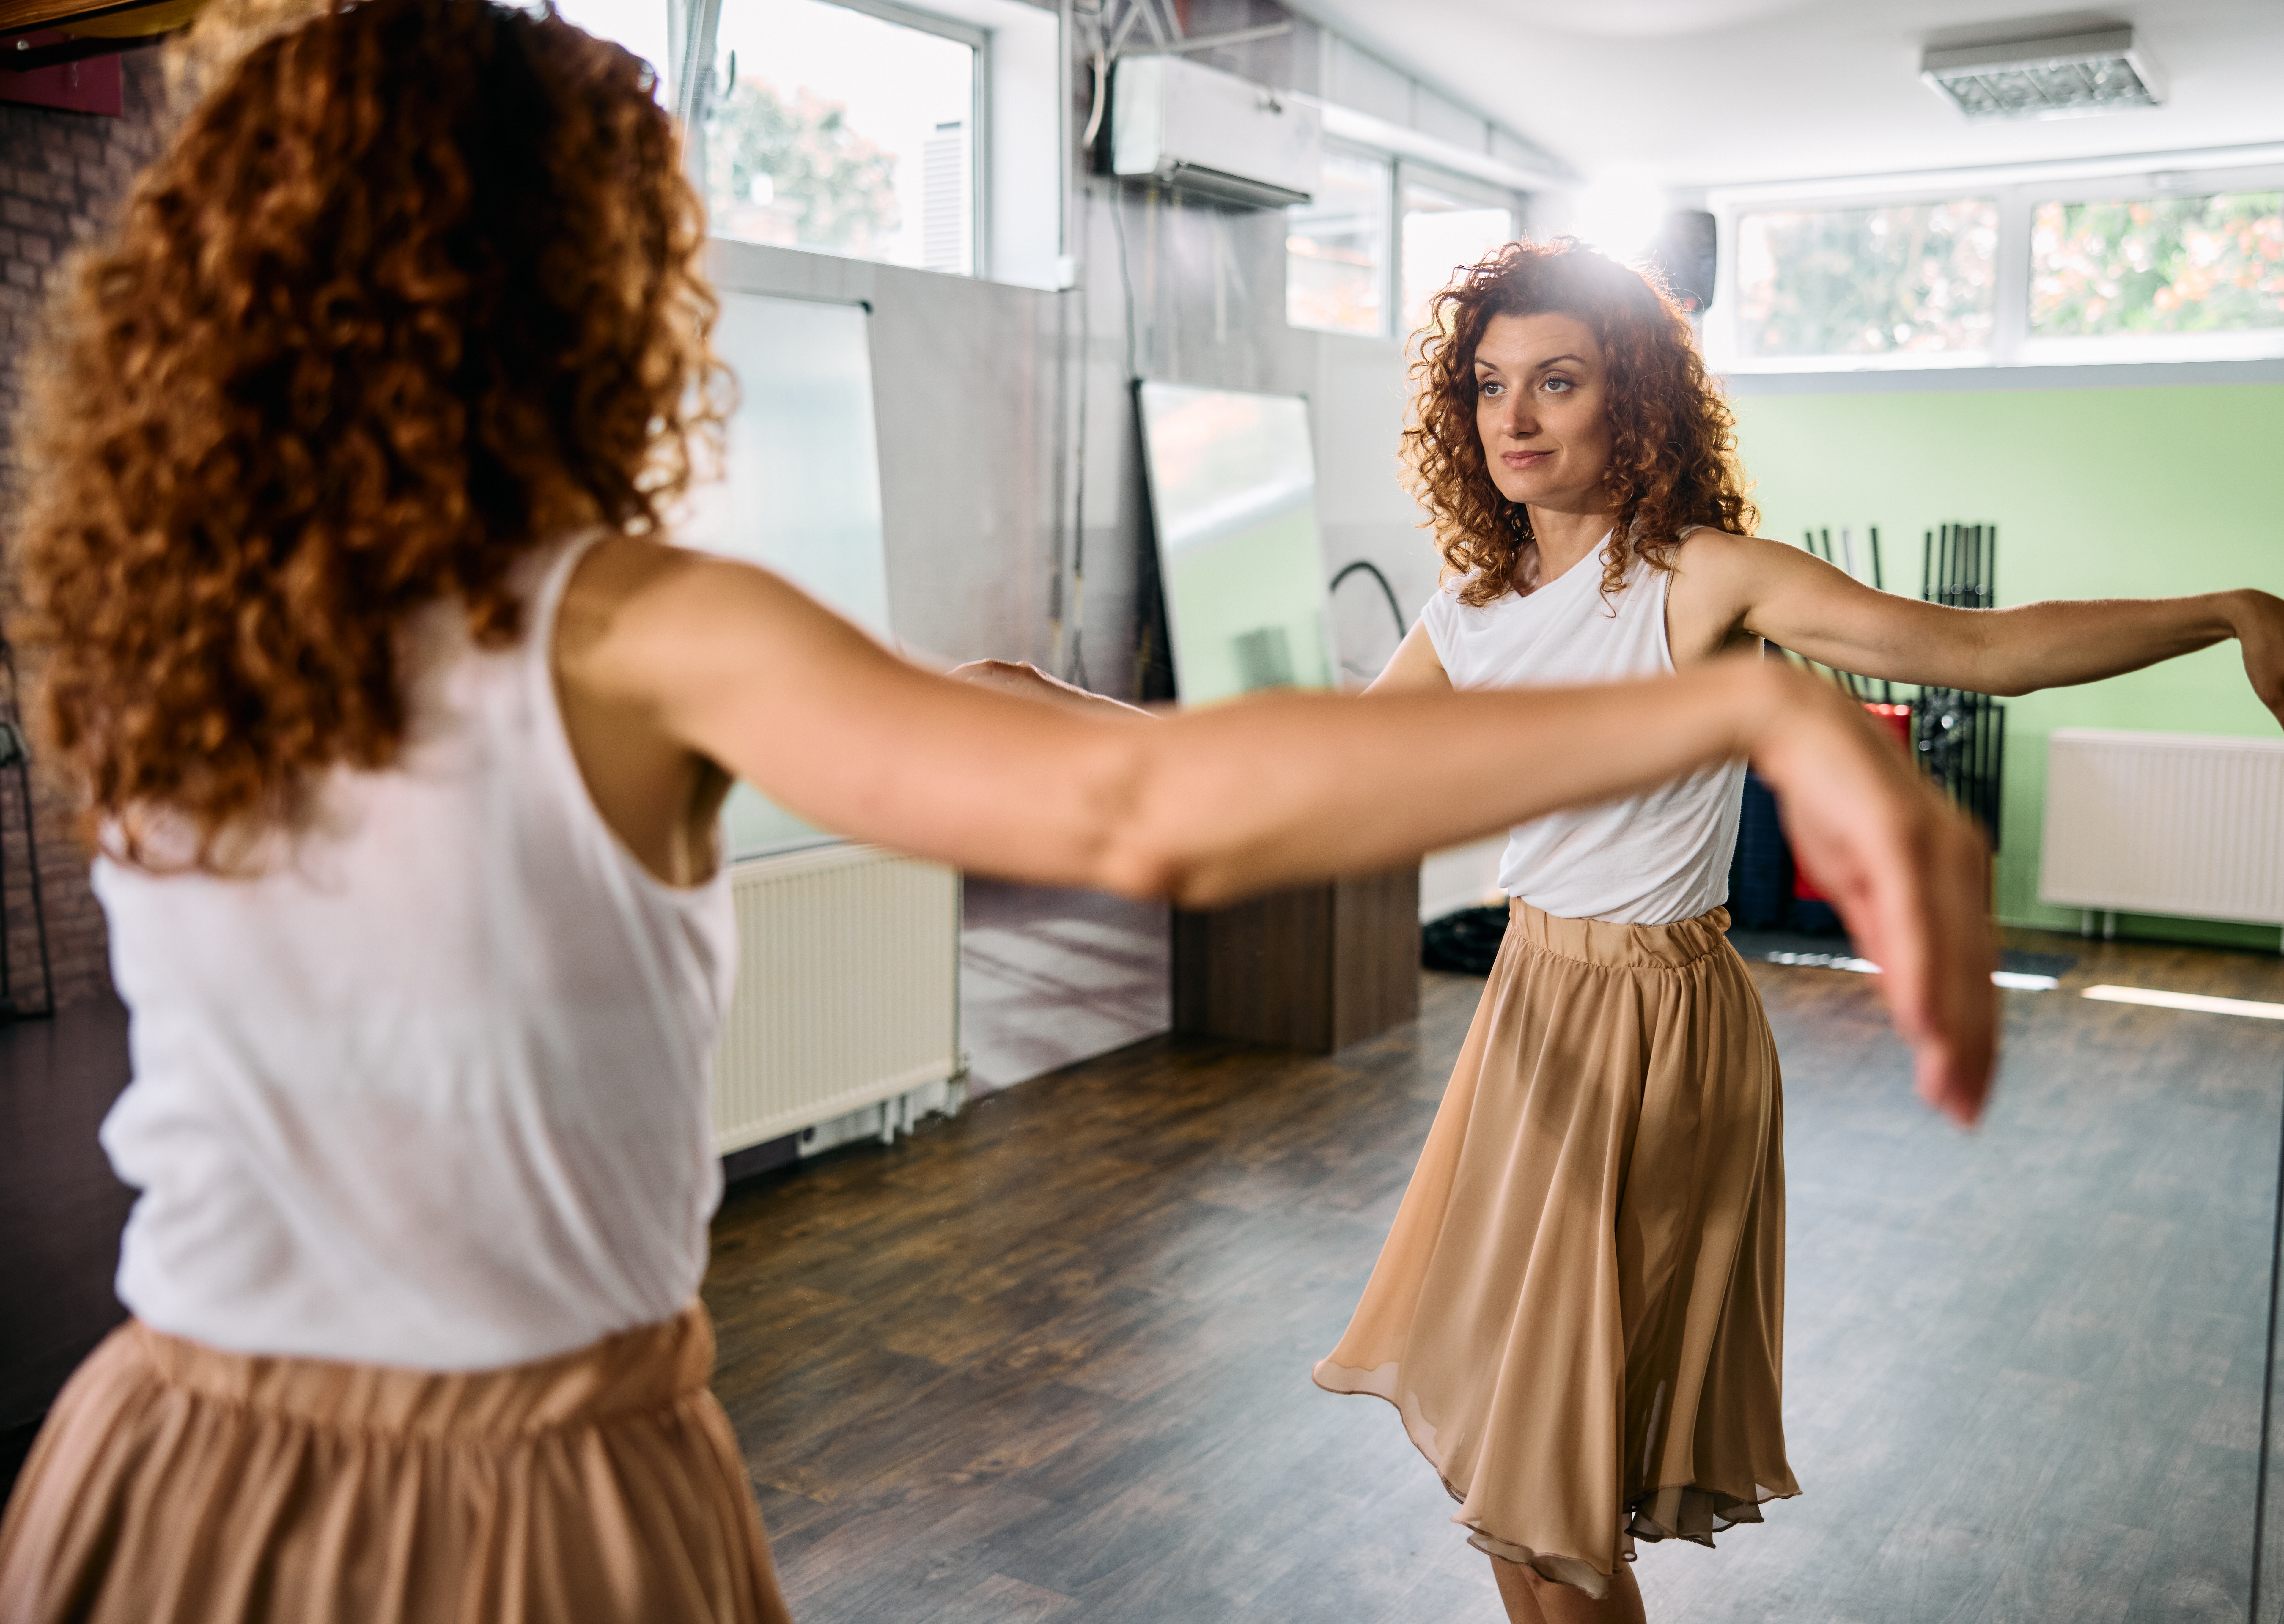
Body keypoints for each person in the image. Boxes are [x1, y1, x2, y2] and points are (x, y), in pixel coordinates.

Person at [0, 5, 1997, 1620]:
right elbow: (1145, 809)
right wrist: (1763, 721)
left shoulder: (156, 637)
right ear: (564, 295)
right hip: (501, 1506)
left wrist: (995, 705)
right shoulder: (623, 623)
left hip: (168, 1464)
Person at [1298, 240, 2284, 1624]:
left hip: (1651, 1027)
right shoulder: (1474, 609)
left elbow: (1976, 647)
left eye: (1554, 382)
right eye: (1489, 384)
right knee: (1518, 1489)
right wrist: (1054, 718)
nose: (1511, 417)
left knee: (1545, 1492)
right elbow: (1302, 763)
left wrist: (2222, 611)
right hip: (1526, 1007)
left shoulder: (1703, 579)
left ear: (1630, 402)